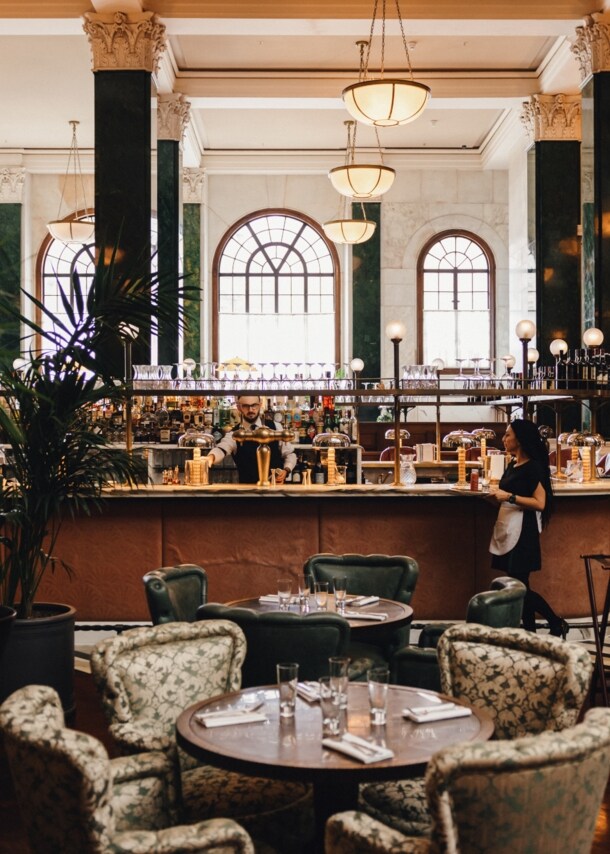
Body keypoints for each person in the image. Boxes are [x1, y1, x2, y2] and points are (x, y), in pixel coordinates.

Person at [489, 418, 568, 638]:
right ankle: (530, 634)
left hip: (523, 531)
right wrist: (494, 497)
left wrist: (509, 496)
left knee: (519, 588)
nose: (503, 439)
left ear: (520, 439)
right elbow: (506, 496)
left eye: (507, 435)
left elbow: (540, 503)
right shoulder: (512, 464)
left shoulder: (533, 467)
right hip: (508, 526)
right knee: (519, 585)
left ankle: (555, 621)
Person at [206, 395, 296, 484]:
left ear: (260, 405)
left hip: (275, 488)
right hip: (247, 491)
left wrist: (286, 470)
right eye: (245, 406)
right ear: (239, 407)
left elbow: (289, 454)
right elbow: (222, 448)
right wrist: (211, 457)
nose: (250, 410)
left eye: (254, 405)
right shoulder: (235, 433)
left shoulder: (276, 427)